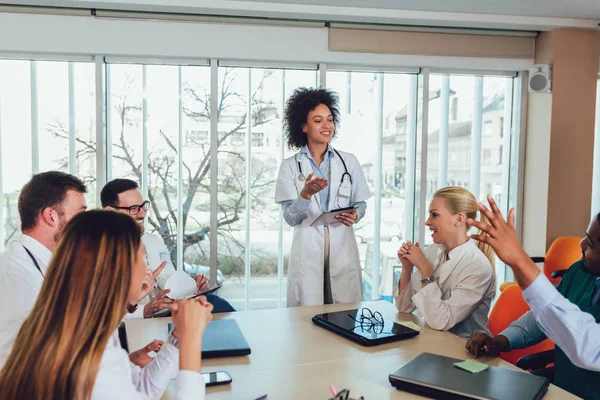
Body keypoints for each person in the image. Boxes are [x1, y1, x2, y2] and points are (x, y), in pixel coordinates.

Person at [0, 210, 213, 399]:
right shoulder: (96, 362)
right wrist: (192, 341)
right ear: (119, 268)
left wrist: (179, 337)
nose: (147, 267)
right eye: (142, 257)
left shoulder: (82, 327)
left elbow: (143, 391)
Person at [465, 196, 600, 399]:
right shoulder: (579, 272)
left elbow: (589, 348)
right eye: (585, 236)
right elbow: (546, 318)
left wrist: (520, 260)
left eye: (590, 243)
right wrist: (502, 340)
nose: (581, 244)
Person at [274, 87, 370, 307]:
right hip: (308, 249)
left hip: (342, 249)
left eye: (330, 119)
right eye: (318, 121)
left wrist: (356, 214)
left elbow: (361, 203)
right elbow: (290, 218)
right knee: (307, 324)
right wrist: (305, 194)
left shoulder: (349, 161)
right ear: (304, 126)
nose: (327, 126)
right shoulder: (290, 166)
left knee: (344, 317)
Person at [101, 178, 235, 316]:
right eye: (133, 209)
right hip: (136, 324)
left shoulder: (153, 241)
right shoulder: (97, 252)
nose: (142, 214)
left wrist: (194, 288)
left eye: (143, 206)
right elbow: (100, 317)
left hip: (167, 313)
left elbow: (171, 285)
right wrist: (145, 310)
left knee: (211, 302)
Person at [0, 171, 88, 367]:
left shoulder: (50, 268)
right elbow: (13, 369)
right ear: (51, 216)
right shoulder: (15, 279)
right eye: (81, 215)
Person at [393, 186, 496, 338]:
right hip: (435, 342)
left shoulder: (478, 267)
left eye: (434, 215)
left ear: (459, 219)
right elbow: (404, 307)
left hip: (465, 351)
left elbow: (441, 321)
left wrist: (425, 268)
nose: (427, 222)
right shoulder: (434, 251)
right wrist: (407, 269)